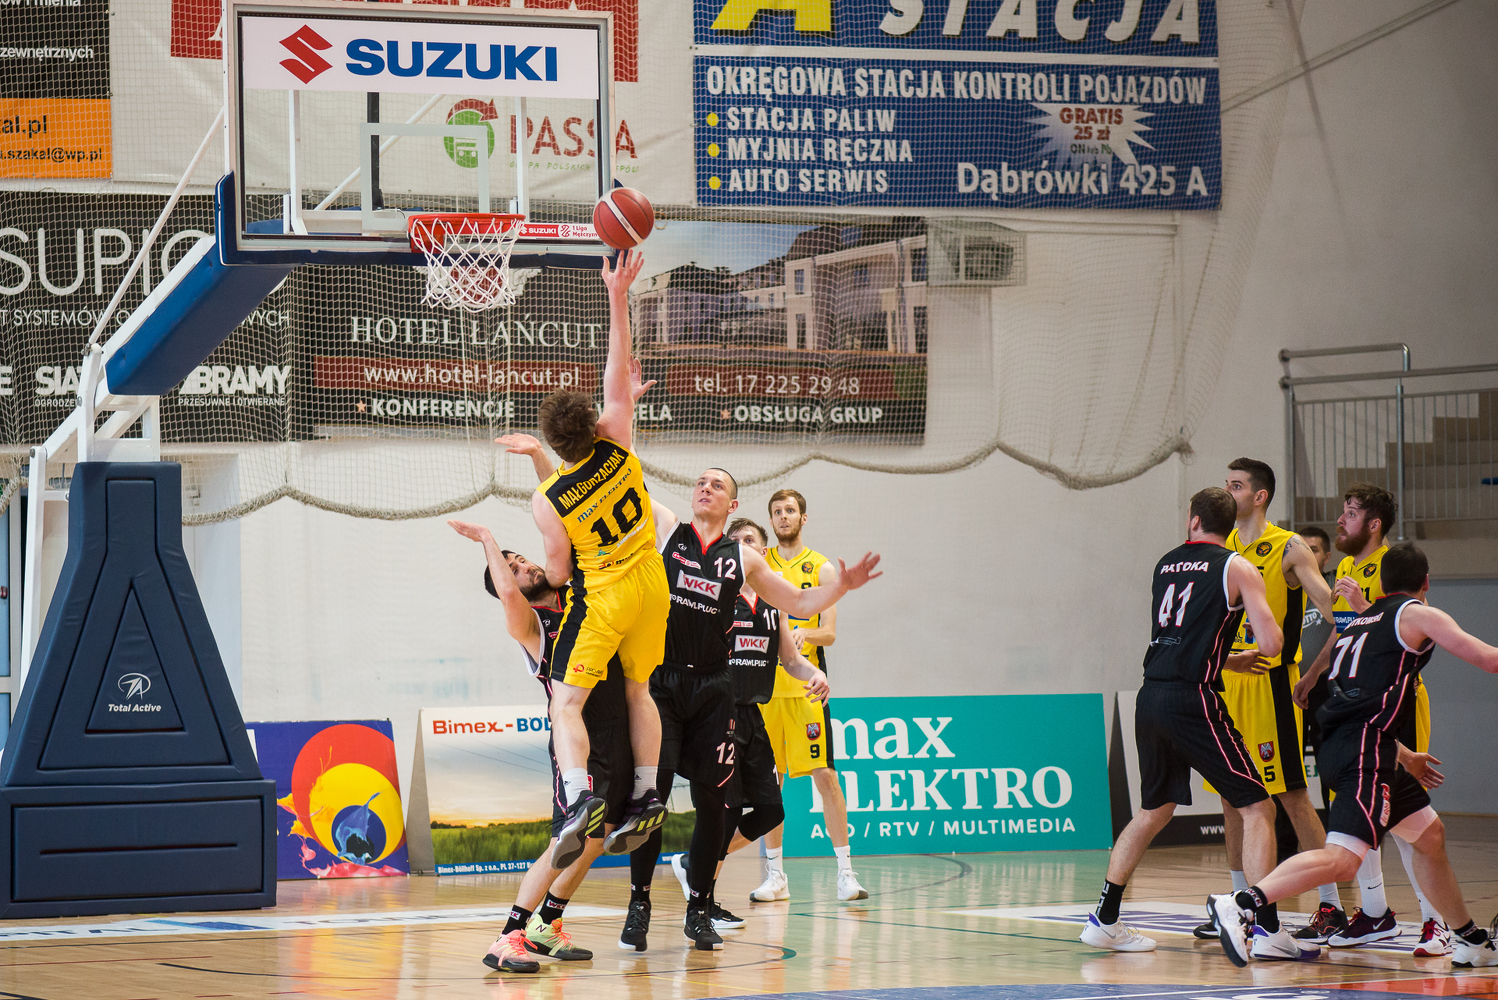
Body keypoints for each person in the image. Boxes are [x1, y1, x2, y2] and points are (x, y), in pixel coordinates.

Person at [622, 469, 881, 952]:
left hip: (714, 690)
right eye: (701, 482)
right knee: (652, 800)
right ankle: (640, 904)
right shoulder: (669, 530)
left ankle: (699, 909)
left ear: (733, 504)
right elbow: (628, 474)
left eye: (717, 485)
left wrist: (841, 587)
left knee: (716, 805)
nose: (706, 487)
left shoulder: (742, 558)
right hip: (664, 682)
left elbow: (800, 599)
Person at [1210, 542, 1498, 970]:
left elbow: (1356, 701)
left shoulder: (1362, 620)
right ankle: (1241, 904)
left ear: (1380, 582)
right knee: (1344, 859)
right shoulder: (1416, 613)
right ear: (1426, 582)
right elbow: (1489, 660)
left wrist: (1402, 755)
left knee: (1429, 836)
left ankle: (1470, 940)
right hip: (1365, 750)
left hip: (1352, 743)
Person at [1081, 487, 1293, 958]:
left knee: (1153, 812)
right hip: (1194, 699)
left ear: (1193, 521)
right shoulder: (1238, 565)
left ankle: (1105, 918)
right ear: (1230, 525)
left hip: (1151, 695)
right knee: (1259, 808)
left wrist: (1226, 659)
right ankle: (1266, 929)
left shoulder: (1165, 564)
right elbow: (1272, 645)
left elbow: (1179, 636)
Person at [527, 250, 670, 870]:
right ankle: (648, 794)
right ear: (590, 420)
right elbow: (617, 368)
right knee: (640, 690)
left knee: (565, 702)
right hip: (652, 583)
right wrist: (617, 293)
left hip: (607, 597)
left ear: (553, 443)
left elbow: (559, 574)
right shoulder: (616, 436)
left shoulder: (549, 497)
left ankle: (579, 797)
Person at [448, 511, 632, 974]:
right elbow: (510, 593)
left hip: (620, 730)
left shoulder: (578, 597)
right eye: (512, 568)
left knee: (598, 838)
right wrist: (487, 538)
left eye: (523, 560)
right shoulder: (530, 625)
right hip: (579, 738)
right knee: (566, 839)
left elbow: (570, 542)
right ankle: (507, 937)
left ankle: (546, 925)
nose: (525, 566)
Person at [1193, 460, 1343, 945]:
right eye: (1225, 483)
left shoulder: (1288, 546)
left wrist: (1352, 613)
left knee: (1292, 795)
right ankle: (1240, 904)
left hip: (1271, 682)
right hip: (1227, 680)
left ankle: (1331, 905)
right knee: (1231, 797)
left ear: (1259, 496)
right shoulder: (1221, 548)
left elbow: (1330, 608)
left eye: (1236, 485)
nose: (1227, 490)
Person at [1293, 484, 1447, 955]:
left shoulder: (1391, 566)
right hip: (1354, 706)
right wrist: (1313, 675)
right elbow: (1343, 634)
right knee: (1358, 812)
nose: (1341, 520)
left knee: (1405, 814)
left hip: (1396, 703)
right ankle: (1375, 913)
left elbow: (1414, 630)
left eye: (1351, 513)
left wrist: (1365, 609)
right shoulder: (1345, 567)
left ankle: (1436, 920)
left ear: (1374, 524)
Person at [666, 518, 831, 932]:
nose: (742, 547)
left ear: (762, 551)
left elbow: (790, 660)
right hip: (719, 712)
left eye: (750, 541)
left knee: (771, 810)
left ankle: (692, 865)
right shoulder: (716, 599)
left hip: (753, 714)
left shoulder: (774, 605)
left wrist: (814, 673)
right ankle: (703, 901)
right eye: (735, 541)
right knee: (725, 810)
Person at [752, 488, 868, 903]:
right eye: (777, 511)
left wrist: (803, 633)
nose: (783, 516)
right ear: (771, 520)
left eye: (790, 510)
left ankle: (846, 873)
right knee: (770, 783)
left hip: (806, 690)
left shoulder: (820, 567)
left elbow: (830, 633)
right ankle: (775, 875)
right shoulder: (759, 564)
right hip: (764, 690)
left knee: (826, 777)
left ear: (803, 518)